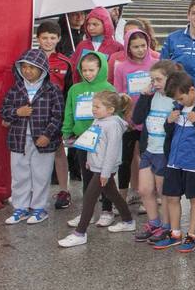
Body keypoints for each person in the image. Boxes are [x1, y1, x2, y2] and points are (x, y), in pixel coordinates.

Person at [152, 72, 195, 252]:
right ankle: (175, 233)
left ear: (191, 90)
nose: (180, 102)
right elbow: (169, 133)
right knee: (172, 197)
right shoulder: (177, 108)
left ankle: (192, 234)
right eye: (177, 99)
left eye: (182, 98)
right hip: (174, 162)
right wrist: (168, 122)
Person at [58, 90, 137, 246]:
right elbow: (92, 142)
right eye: (93, 106)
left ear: (111, 110)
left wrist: (105, 172)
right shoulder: (98, 120)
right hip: (98, 166)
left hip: (105, 168)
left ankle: (80, 233)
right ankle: (128, 221)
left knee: (89, 197)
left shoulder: (113, 125)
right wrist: (89, 160)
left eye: (97, 107)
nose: (93, 109)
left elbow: (112, 151)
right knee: (113, 194)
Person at [0, 49, 64, 225]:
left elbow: (58, 115)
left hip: (43, 141)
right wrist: (16, 112)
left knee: (41, 175)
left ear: (42, 69)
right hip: (18, 140)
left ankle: (39, 208)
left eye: (32, 68)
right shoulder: (15, 89)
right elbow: (4, 111)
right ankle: (20, 207)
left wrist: (47, 135)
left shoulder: (52, 90)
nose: (28, 71)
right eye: (24, 67)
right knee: (20, 174)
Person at [129, 59, 183, 243]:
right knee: (144, 189)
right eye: (152, 80)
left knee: (164, 192)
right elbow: (136, 119)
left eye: (159, 79)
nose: (155, 84)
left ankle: (167, 226)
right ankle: (154, 222)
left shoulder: (176, 99)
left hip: (164, 153)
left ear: (170, 79)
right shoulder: (151, 97)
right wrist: (144, 96)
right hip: (149, 149)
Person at [61, 51, 115, 223]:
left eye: (92, 70)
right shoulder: (75, 89)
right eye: (84, 70)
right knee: (87, 177)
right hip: (82, 139)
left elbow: (115, 113)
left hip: (102, 140)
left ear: (100, 69)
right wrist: (66, 130)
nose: (88, 74)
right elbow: (69, 111)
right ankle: (88, 212)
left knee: (104, 176)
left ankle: (107, 211)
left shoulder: (108, 89)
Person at [110, 28, 158, 208]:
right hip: (129, 121)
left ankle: (151, 196)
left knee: (150, 158)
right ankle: (121, 198)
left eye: (143, 46)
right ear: (128, 48)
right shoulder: (121, 68)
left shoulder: (155, 64)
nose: (140, 50)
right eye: (135, 46)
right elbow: (118, 92)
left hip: (151, 121)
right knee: (126, 160)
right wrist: (125, 114)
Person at [35, 20, 75, 210]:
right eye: (44, 38)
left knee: (59, 151)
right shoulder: (30, 59)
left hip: (56, 113)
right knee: (33, 152)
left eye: (52, 38)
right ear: (38, 38)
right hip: (34, 113)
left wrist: (67, 117)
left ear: (59, 39)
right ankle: (34, 191)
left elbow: (69, 92)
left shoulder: (65, 62)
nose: (48, 41)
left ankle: (64, 190)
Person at [74, 7, 125, 75]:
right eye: (88, 24)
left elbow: (119, 72)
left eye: (95, 24)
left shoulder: (117, 47)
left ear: (105, 25)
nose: (91, 28)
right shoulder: (82, 45)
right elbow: (74, 69)